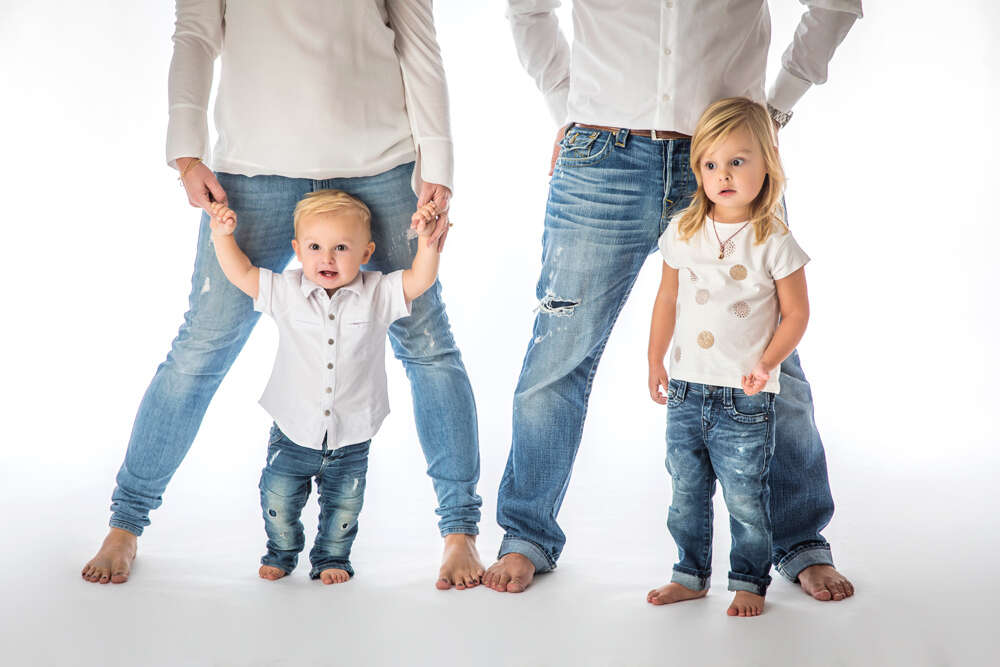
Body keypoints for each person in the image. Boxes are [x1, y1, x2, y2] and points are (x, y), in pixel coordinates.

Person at [81, 1, 484, 589]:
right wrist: (186, 151)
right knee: (202, 347)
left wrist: (438, 162)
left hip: (380, 163)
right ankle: (125, 523)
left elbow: (417, 37)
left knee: (428, 346)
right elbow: (195, 33)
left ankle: (459, 533)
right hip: (253, 170)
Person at [485, 0, 862, 600]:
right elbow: (527, 9)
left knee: (772, 362)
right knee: (558, 354)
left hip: (724, 164)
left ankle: (801, 541)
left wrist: (774, 109)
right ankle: (526, 533)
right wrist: (569, 105)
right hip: (600, 157)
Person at [208, 191, 441, 584]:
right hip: (293, 430)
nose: (327, 258)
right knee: (278, 501)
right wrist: (221, 236)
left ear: (366, 252)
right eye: (315, 246)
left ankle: (332, 558)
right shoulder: (286, 291)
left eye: (341, 248)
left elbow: (420, 278)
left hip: (352, 435)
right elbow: (243, 274)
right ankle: (281, 552)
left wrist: (430, 243)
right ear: (297, 250)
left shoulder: (378, 294)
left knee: (345, 508)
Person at [646, 98, 810, 617]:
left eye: (738, 161)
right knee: (685, 492)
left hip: (745, 394)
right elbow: (666, 299)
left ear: (768, 164)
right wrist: (655, 362)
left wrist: (767, 363)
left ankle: (748, 580)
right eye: (711, 164)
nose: (723, 175)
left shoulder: (774, 240)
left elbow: (797, 315)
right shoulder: (684, 230)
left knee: (745, 497)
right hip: (687, 389)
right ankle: (690, 574)